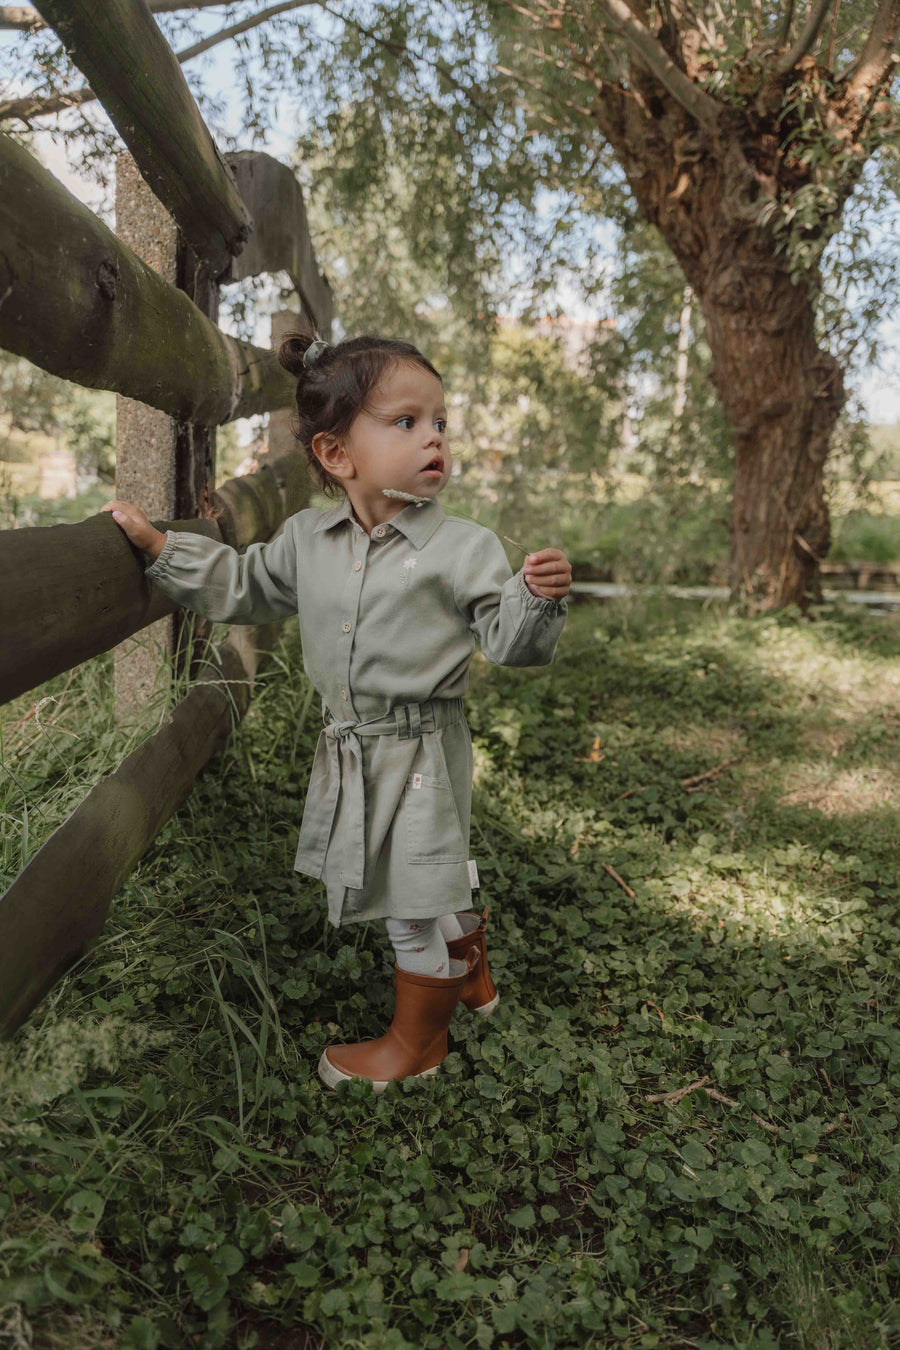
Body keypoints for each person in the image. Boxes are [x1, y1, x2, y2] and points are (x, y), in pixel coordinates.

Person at [102, 332, 571, 1093]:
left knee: (406, 895)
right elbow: (244, 585)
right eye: (406, 422)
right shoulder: (307, 542)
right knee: (421, 872)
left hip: (420, 749)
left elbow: (508, 641)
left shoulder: (464, 549)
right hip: (354, 747)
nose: (434, 440)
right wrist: (163, 549)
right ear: (336, 454)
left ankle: (418, 1046)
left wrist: (534, 600)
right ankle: (469, 972)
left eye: (440, 423)